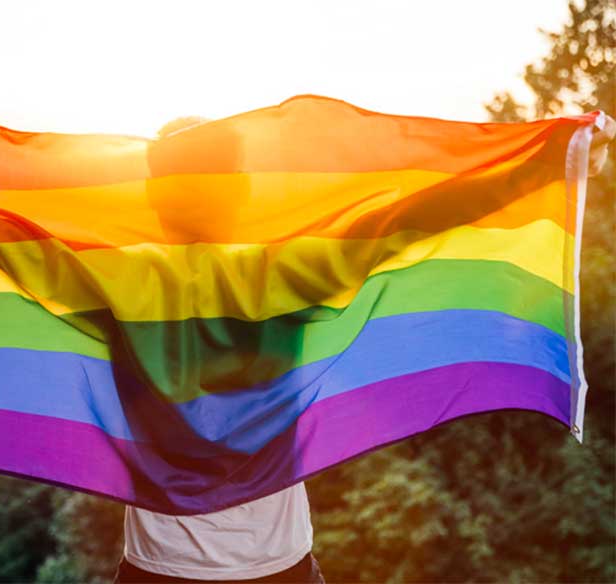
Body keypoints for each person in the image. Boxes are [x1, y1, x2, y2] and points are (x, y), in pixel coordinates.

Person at [113, 112, 615, 584]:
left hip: (163, 566)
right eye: (237, 176)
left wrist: (551, 163)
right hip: (272, 564)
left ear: (155, 199)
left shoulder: (117, 281)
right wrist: (550, 165)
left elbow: (32, 248)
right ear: (234, 195)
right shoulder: (280, 276)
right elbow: (410, 218)